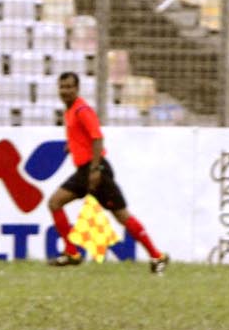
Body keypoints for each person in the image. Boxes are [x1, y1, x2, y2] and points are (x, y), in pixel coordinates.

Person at [47, 72, 170, 274]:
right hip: (85, 170)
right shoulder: (69, 111)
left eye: (69, 87)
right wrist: (72, 146)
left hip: (96, 171)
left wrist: (95, 169)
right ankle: (72, 253)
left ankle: (157, 256)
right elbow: (84, 137)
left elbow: (97, 138)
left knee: (121, 216)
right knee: (55, 203)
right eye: (62, 87)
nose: (65, 91)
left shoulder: (82, 110)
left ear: (77, 89)